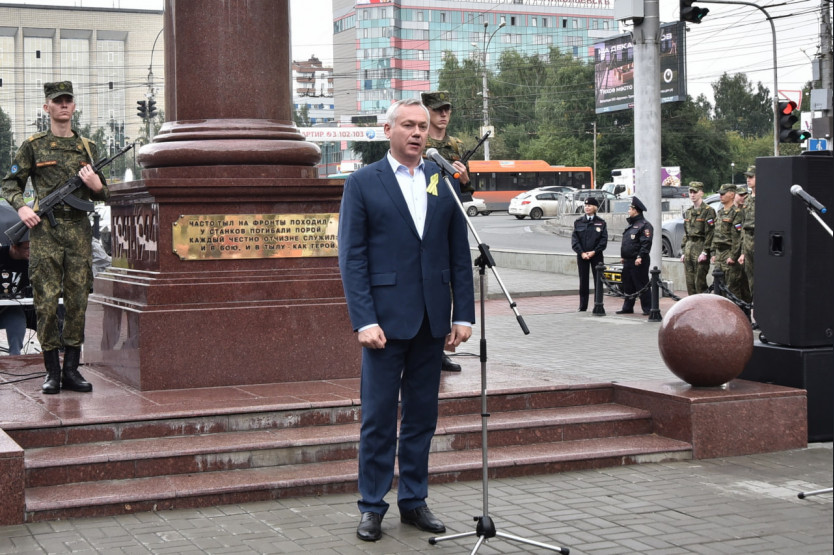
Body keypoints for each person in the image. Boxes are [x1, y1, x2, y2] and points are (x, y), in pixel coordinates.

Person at [338, 98, 475, 542]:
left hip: (432, 321)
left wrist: (464, 314)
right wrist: (363, 320)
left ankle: (414, 501)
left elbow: (459, 252)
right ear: (389, 130)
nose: (418, 132)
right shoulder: (363, 182)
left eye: (422, 126)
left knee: (422, 417)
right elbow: (352, 258)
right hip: (383, 323)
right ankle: (372, 505)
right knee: (378, 418)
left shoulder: (442, 180)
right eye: (409, 125)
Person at [1, 81, 109, 394]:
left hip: (78, 232)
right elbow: (10, 184)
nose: (63, 106)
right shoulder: (33, 146)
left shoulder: (89, 148)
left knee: (77, 301)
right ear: (47, 108)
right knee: (46, 303)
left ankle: (72, 370)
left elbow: (105, 195)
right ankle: (52, 372)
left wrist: (97, 186)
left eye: (68, 101)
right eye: (57, 101)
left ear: (74, 107)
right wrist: (22, 209)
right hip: (44, 233)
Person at [421, 90, 471, 372]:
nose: (443, 114)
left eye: (447, 110)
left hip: (451, 215)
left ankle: (440, 348)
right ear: (426, 110)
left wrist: (463, 179)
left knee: (449, 283)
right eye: (438, 109)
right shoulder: (419, 140)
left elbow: (468, 188)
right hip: (425, 216)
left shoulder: (456, 144)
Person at [617, 197, 653, 315]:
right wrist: (623, 256)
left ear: (636, 210)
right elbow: (627, 243)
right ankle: (627, 307)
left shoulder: (645, 225)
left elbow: (646, 243)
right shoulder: (631, 225)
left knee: (641, 285)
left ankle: (648, 308)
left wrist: (640, 256)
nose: (628, 210)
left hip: (638, 260)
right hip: (628, 260)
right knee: (628, 285)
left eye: (630, 208)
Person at [571, 197, 608, 312]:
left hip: (596, 255)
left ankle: (598, 304)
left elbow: (603, 240)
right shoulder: (578, 222)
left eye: (590, 206)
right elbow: (575, 240)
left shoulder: (601, 222)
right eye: (586, 206)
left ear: (595, 208)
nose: (587, 207)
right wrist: (581, 252)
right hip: (582, 256)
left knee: (598, 280)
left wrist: (594, 252)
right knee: (583, 281)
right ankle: (583, 306)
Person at [711, 184, 747, 301]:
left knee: (732, 288)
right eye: (720, 194)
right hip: (719, 254)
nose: (720, 196)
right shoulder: (720, 212)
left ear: (732, 195)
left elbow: (737, 237)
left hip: (729, 253)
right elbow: (715, 233)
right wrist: (713, 253)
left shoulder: (737, 213)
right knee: (718, 288)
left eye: (723, 193)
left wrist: (733, 256)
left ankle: (737, 316)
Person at [679, 181, 715, 295]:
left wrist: (705, 251)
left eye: (695, 192)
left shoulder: (708, 211)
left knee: (699, 282)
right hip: (689, 247)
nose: (692, 194)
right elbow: (686, 233)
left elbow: (710, 233)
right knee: (690, 283)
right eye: (690, 192)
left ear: (701, 193)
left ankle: (703, 309)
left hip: (700, 246)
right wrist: (684, 251)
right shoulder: (688, 212)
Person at [0, 239, 31, 355]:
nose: (30, 252)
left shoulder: (30, 263)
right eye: (27, 248)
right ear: (14, 247)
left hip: (11, 306)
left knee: (17, 321)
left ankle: (15, 358)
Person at [738, 165, 756, 297]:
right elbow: (743, 226)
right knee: (751, 279)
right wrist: (743, 252)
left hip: (759, 239)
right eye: (747, 177)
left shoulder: (765, 198)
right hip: (748, 241)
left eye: (751, 177)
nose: (748, 180)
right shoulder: (747, 200)